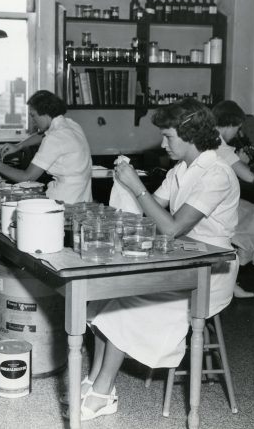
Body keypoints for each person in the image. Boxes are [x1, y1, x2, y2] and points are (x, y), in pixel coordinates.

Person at [70, 98, 239, 421]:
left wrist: (137, 187)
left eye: (169, 136)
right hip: (180, 257)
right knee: (104, 299)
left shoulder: (217, 174)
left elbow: (172, 227)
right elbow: (151, 213)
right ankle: (94, 380)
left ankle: (103, 392)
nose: (163, 143)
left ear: (190, 135)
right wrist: (128, 185)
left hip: (212, 266)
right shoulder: (180, 170)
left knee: (127, 306)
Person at [0, 90, 92, 204]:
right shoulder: (71, 125)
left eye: (33, 115)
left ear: (44, 112)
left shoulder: (55, 138)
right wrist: (19, 146)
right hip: (83, 198)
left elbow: (27, 177)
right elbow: (42, 136)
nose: (33, 121)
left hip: (64, 201)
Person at [212, 100, 254, 298]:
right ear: (230, 125)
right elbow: (250, 177)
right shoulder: (220, 147)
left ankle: (250, 256)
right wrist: (243, 162)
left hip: (210, 201)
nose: (236, 134)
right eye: (237, 128)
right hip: (217, 207)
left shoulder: (206, 139)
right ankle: (251, 254)